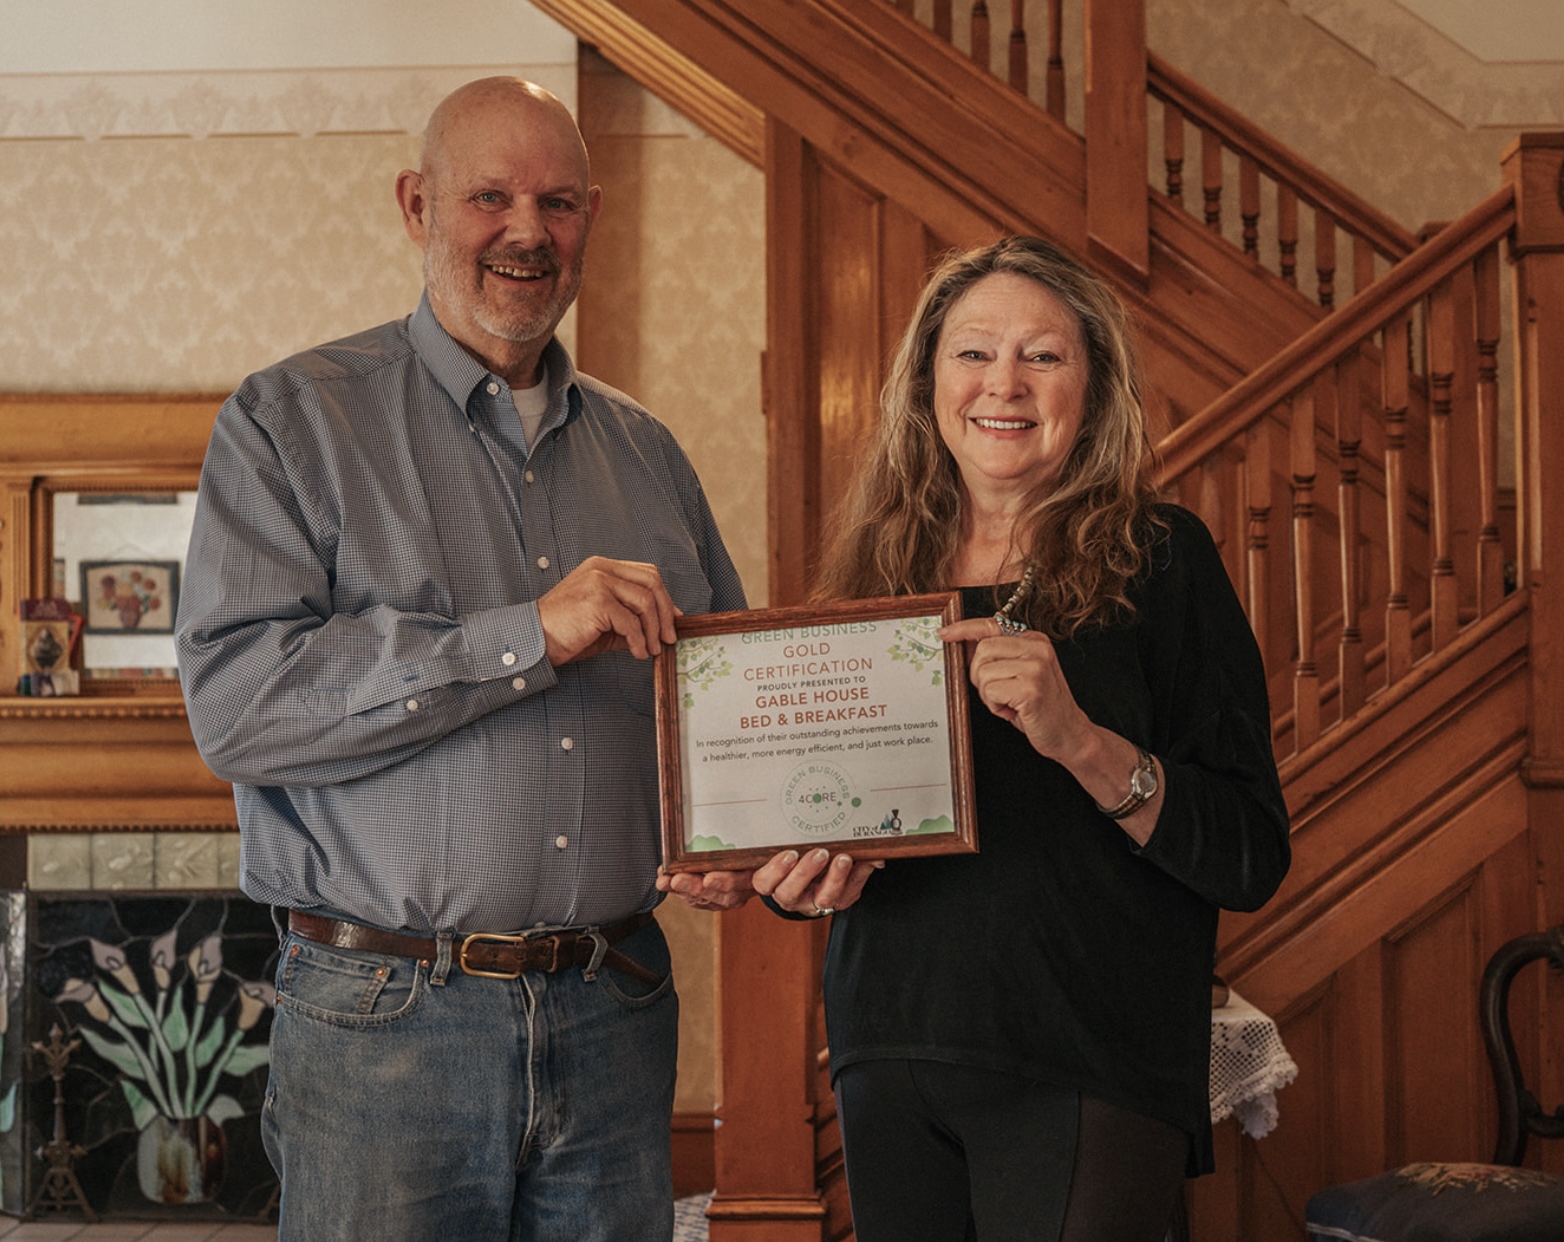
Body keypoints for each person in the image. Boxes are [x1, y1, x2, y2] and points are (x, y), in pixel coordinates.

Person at [175, 76, 755, 1242]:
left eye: (556, 202)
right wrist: (525, 635)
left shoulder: (649, 455)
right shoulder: (290, 423)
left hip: (613, 1009)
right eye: (490, 196)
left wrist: (740, 836)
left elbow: (724, 707)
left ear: (591, 216)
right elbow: (238, 710)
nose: (525, 231)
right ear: (416, 205)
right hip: (385, 1024)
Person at [739, 235, 1292, 1241]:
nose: (1003, 383)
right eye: (972, 352)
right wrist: (793, 875)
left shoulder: (1162, 560)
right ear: (927, 382)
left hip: (1090, 1056)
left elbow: (1248, 853)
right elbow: (828, 825)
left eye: (1042, 355)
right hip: (888, 1045)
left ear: (1093, 387)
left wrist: (1078, 739)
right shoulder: (872, 577)